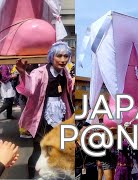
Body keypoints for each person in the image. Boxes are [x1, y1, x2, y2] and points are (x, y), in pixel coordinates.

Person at [15, 41, 74, 178]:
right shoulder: (40, 72)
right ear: (52, 56)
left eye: (66, 56)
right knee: (38, 149)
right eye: (59, 56)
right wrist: (23, 73)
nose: (63, 60)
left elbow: (68, 88)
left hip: (60, 114)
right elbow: (29, 89)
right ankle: (31, 176)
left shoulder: (65, 72)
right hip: (42, 116)